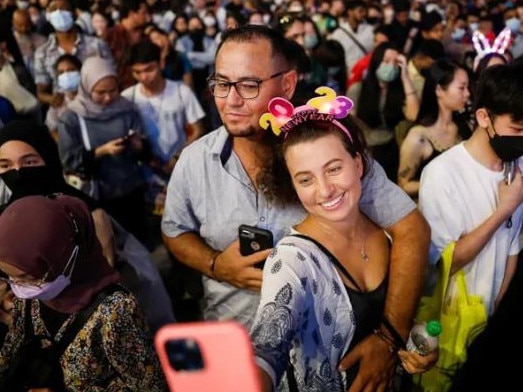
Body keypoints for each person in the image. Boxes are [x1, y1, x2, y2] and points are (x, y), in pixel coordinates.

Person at [161, 24, 430, 390]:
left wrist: (389, 336)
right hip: (230, 340)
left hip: (329, 361)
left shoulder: (328, 152)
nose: (231, 100)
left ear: (287, 85)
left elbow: (410, 228)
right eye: (221, 84)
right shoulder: (194, 162)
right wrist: (214, 265)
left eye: (248, 85)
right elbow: (175, 230)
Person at [250, 90, 437, 391]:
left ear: (359, 165)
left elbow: (387, 316)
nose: (325, 190)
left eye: (334, 169)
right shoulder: (291, 260)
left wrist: (411, 346)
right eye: (306, 179)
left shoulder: (388, 232)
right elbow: (268, 341)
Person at [0, 119, 175, 335]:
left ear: (49, 158)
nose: (17, 172)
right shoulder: (8, 218)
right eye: (5, 166)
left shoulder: (86, 214)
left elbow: (102, 275)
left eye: (29, 162)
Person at [0, 194, 167, 391]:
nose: (18, 287)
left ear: (64, 258)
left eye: (27, 277)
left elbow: (149, 387)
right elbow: (10, 351)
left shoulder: (114, 311)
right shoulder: (31, 297)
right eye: (9, 278)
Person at [419, 63, 523, 321]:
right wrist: (502, 211)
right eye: (517, 130)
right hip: (452, 322)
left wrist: (500, 301)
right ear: (483, 117)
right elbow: (443, 263)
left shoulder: (517, 166)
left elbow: (513, 246)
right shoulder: (442, 173)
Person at [57, 56, 149, 248]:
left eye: (112, 91)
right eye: (100, 92)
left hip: (130, 188)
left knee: (139, 245)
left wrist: (138, 145)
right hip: (98, 195)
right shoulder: (72, 117)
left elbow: (144, 146)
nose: (108, 98)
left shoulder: (126, 108)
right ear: (87, 87)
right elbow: (69, 160)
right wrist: (101, 151)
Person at [122, 40, 205, 216]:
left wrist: (176, 158)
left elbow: (198, 130)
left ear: (161, 63)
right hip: (146, 176)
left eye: (149, 69)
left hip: (181, 170)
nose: (144, 77)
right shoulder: (128, 98)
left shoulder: (181, 91)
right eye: (138, 72)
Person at [398, 59, 472, 199]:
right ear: (439, 90)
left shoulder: (465, 126)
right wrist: (439, 184)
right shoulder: (418, 138)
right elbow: (403, 185)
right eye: (461, 88)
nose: (467, 93)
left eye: (468, 87)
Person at [34, 0, 113, 109]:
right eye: (54, 9)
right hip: (63, 111)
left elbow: (112, 78)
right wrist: (51, 98)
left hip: (98, 108)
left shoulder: (97, 45)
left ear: (74, 14)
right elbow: (41, 92)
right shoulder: (42, 53)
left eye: (64, 8)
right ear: (48, 16)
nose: (59, 13)